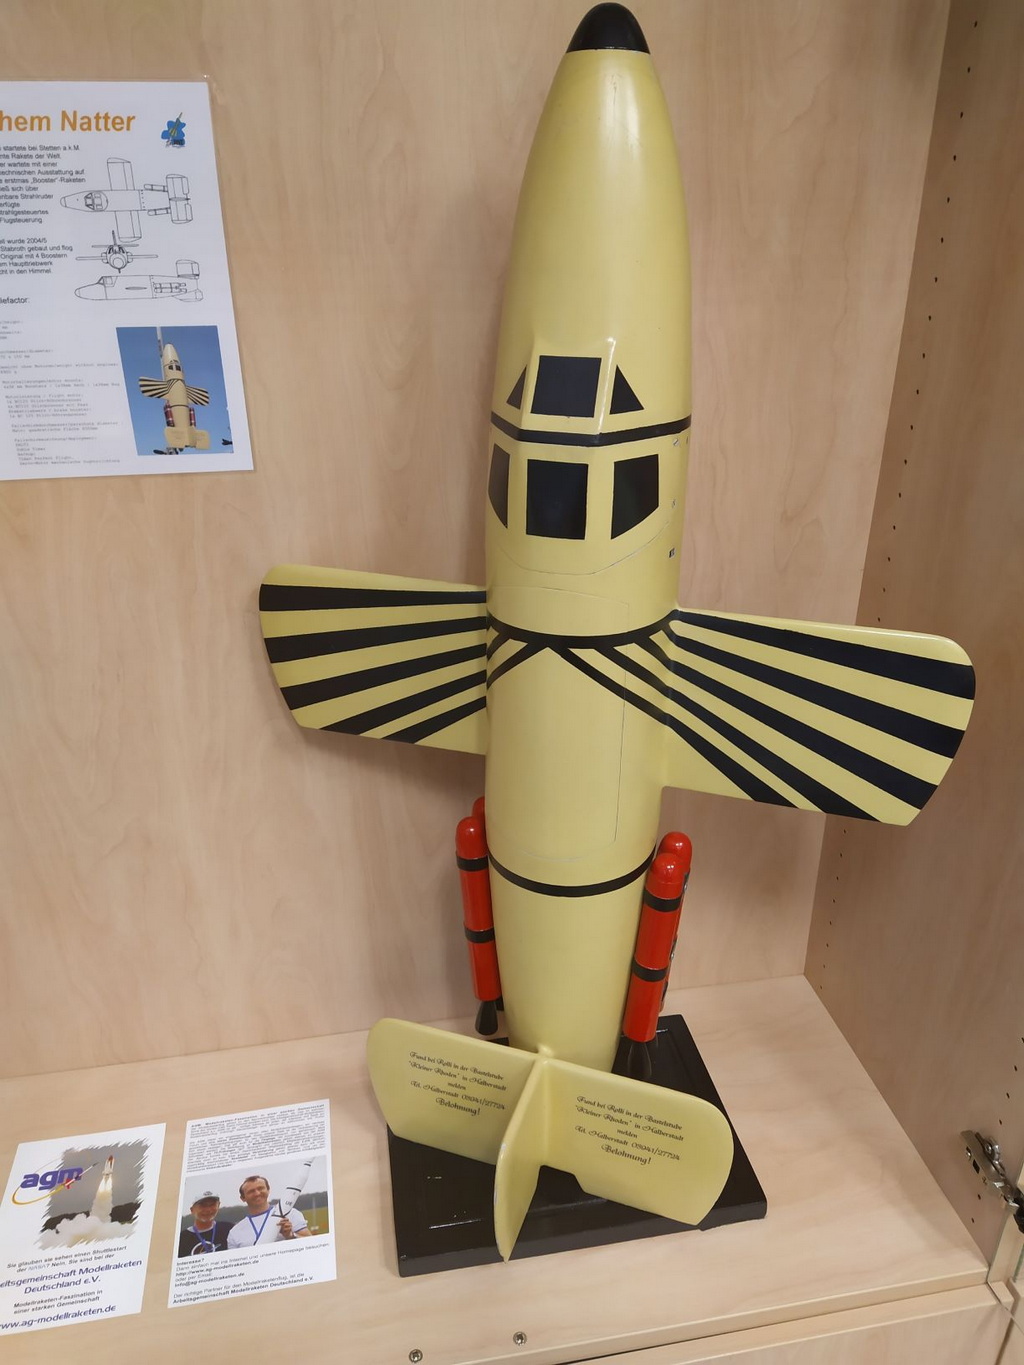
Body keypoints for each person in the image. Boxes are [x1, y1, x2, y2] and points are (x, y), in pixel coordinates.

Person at [225, 1174, 310, 1249]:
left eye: (260, 1188)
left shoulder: (290, 1214)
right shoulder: (234, 1233)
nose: (257, 1193)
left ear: (268, 1190)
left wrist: (290, 1235)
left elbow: (310, 1242)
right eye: (251, 1191)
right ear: (243, 1198)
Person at [177, 1191, 232, 1256]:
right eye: (203, 1205)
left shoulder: (229, 1229)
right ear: (192, 1210)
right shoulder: (181, 1239)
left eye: (212, 1205)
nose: (208, 1210)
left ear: (218, 1205)